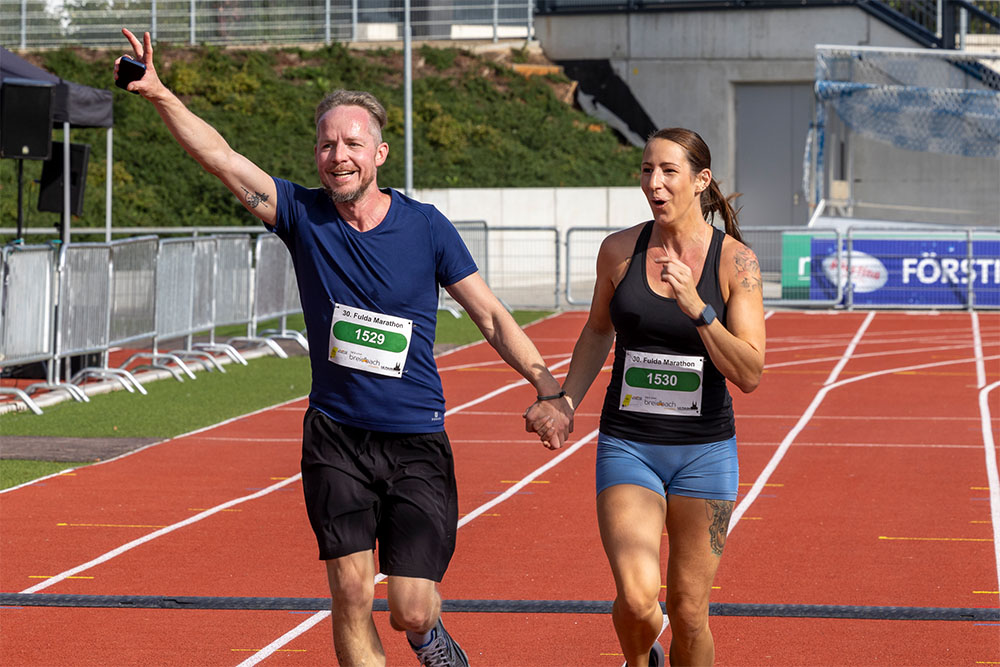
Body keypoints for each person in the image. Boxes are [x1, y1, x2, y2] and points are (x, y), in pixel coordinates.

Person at [116, 28, 571, 667]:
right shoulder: (302, 216)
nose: (339, 156)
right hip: (335, 437)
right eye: (328, 145)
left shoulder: (427, 228)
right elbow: (222, 158)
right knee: (352, 593)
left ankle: (427, 637)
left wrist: (548, 388)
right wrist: (161, 94)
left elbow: (492, 317)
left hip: (414, 439)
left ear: (379, 153)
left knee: (411, 607)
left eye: (353, 144)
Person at [526, 127, 765, 666]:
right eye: (646, 170)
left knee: (689, 611)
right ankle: (640, 661)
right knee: (637, 601)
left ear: (700, 181)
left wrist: (698, 309)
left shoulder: (736, 263)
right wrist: (565, 401)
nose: (654, 183)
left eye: (668, 171)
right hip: (629, 446)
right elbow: (597, 331)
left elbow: (750, 372)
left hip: (705, 453)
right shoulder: (619, 251)